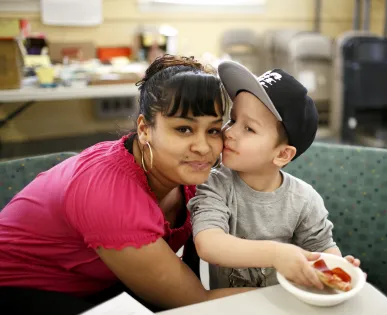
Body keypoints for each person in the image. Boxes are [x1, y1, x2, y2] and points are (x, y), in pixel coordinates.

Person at [0, 55, 252, 315]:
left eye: (213, 130)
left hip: (96, 281)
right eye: (183, 129)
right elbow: (194, 302)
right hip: (17, 287)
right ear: (144, 129)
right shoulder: (110, 195)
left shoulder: (185, 174)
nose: (203, 148)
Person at [188, 61, 361, 290]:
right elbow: (209, 244)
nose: (229, 132)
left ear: (282, 154)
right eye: (232, 119)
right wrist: (276, 254)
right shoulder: (214, 184)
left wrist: (336, 268)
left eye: (248, 128)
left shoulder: (304, 200)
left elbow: (322, 249)